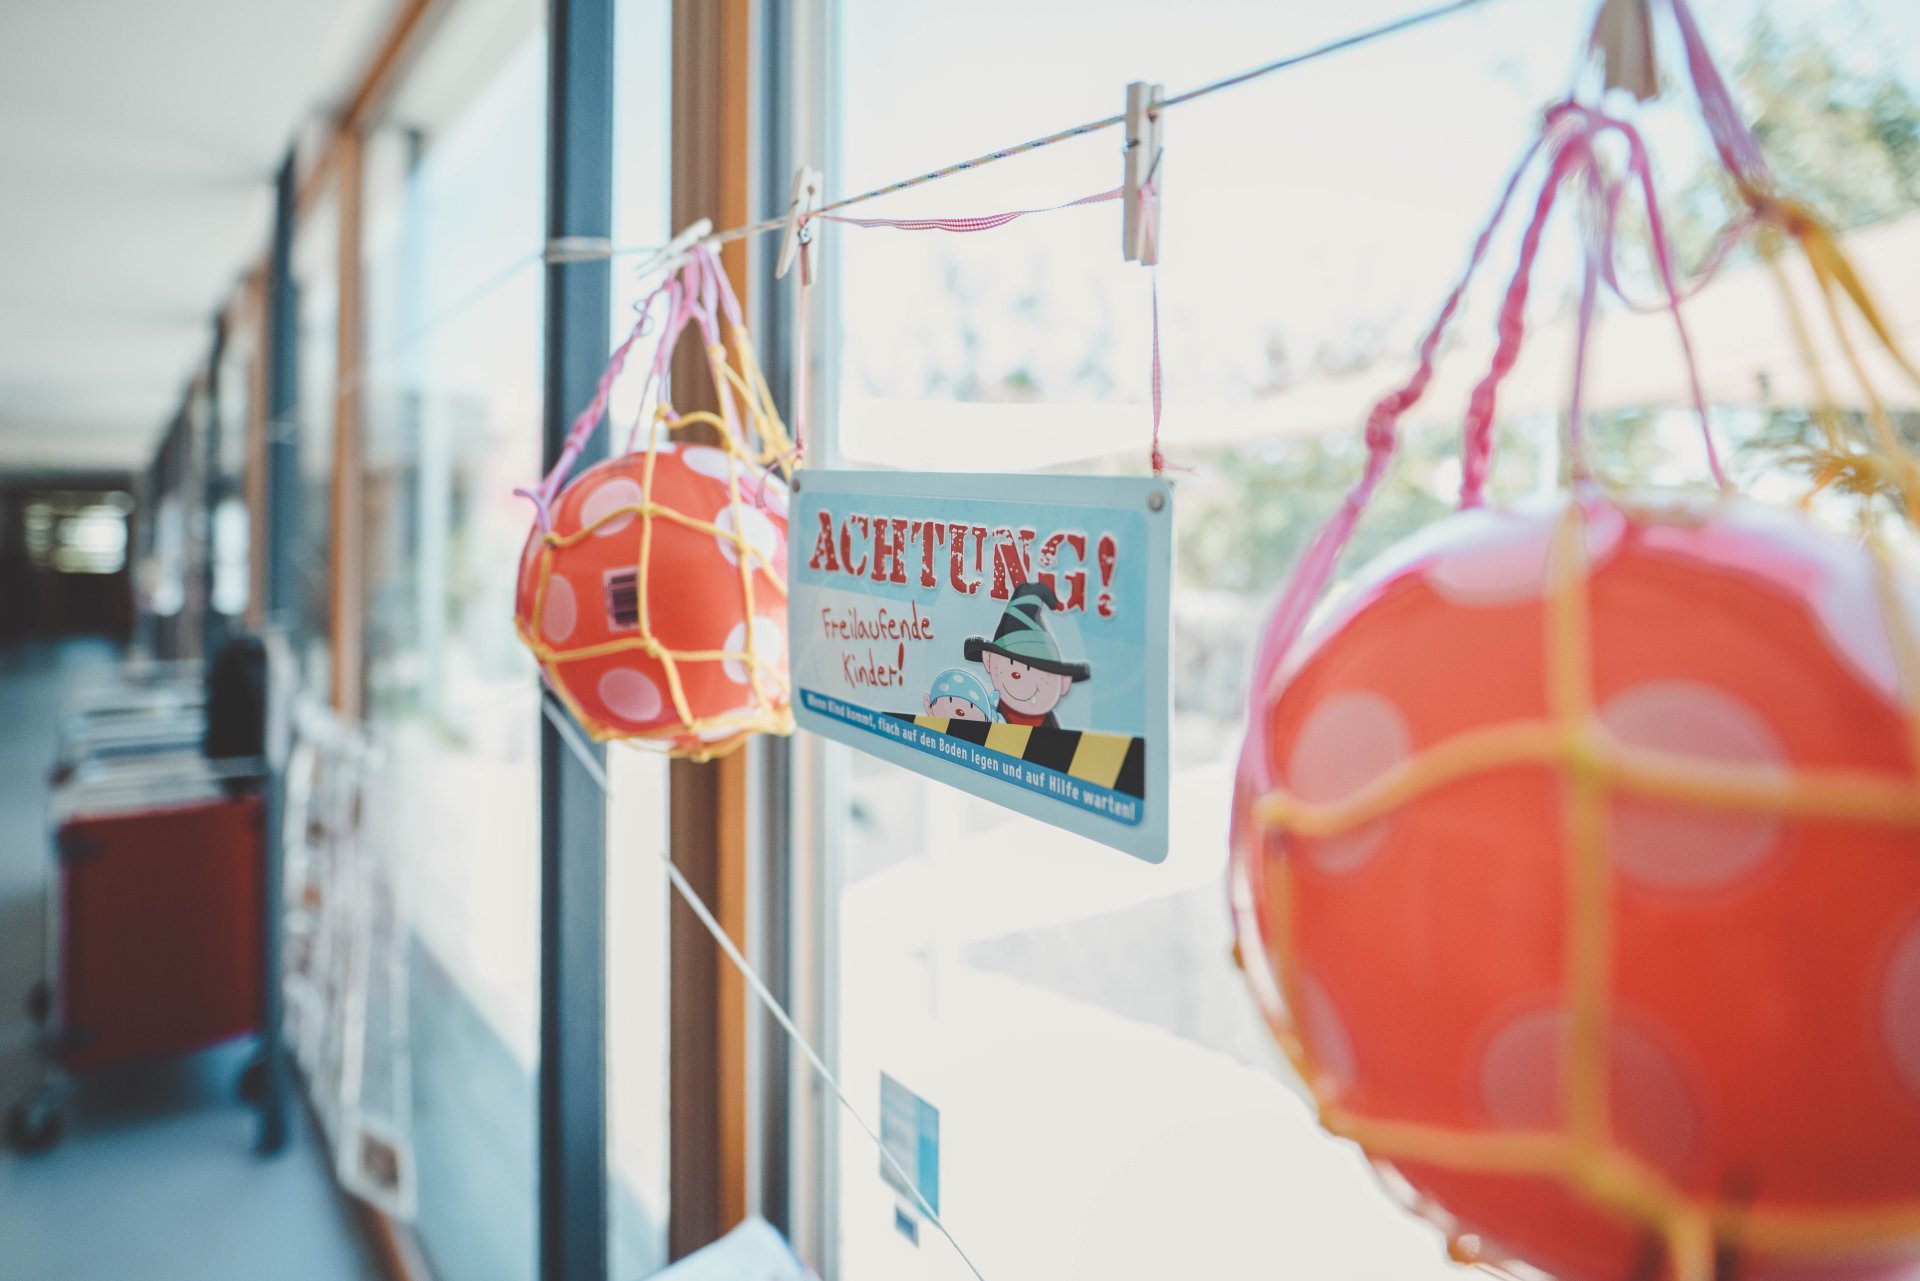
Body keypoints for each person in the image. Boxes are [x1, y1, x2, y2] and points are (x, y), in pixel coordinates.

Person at [962, 581, 1092, 730]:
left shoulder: (1049, 727)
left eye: (1036, 669)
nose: (1018, 677)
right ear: (988, 659)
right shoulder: (990, 711)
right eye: (1011, 664)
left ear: (1064, 683)